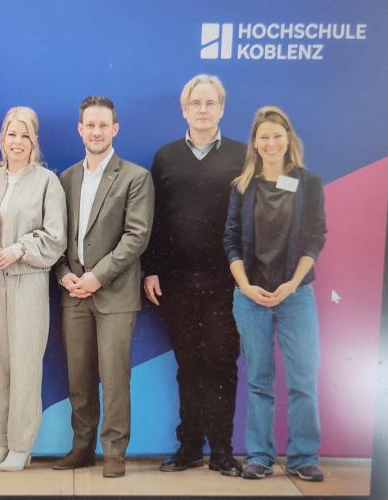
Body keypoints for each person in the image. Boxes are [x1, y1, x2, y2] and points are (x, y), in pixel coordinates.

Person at [142, 74, 246, 476]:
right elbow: (154, 218)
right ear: (184, 110)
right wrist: (151, 269)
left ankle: (222, 452)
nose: (203, 110)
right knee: (188, 365)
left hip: (227, 283)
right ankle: (188, 448)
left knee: (221, 364)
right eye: (196, 103)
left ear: (222, 108)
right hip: (177, 281)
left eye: (210, 103)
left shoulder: (242, 155)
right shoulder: (166, 156)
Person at [223, 105, 327, 482]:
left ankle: (303, 457)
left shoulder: (308, 182)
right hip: (250, 297)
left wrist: (292, 284)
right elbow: (231, 240)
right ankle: (259, 456)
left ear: (288, 140)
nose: (270, 143)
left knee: (303, 380)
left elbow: (315, 236)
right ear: (255, 142)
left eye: (277, 136)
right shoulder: (242, 186)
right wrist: (245, 285)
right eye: (263, 136)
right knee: (259, 381)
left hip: (295, 296)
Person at [52, 96, 154, 478]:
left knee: (114, 377)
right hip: (73, 292)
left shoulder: (135, 177)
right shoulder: (65, 178)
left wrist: (97, 276)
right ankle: (82, 447)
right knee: (78, 377)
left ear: (115, 129)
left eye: (103, 125)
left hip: (114, 293)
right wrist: (63, 273)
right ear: (80, 129)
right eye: (89, 125)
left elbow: (136, 236)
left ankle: (114, 451)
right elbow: (56, 235)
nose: (96, 132)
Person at [0, 107, 67, 471]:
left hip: (28, 280)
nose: (17, 141)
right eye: (11, 134)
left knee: (25, 362)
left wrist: (20, 249)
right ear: (2, 139)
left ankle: (21, 445)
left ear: (34, 141)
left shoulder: (47, 182)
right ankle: (0, 441)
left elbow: (55, 236)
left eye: (24, 135)